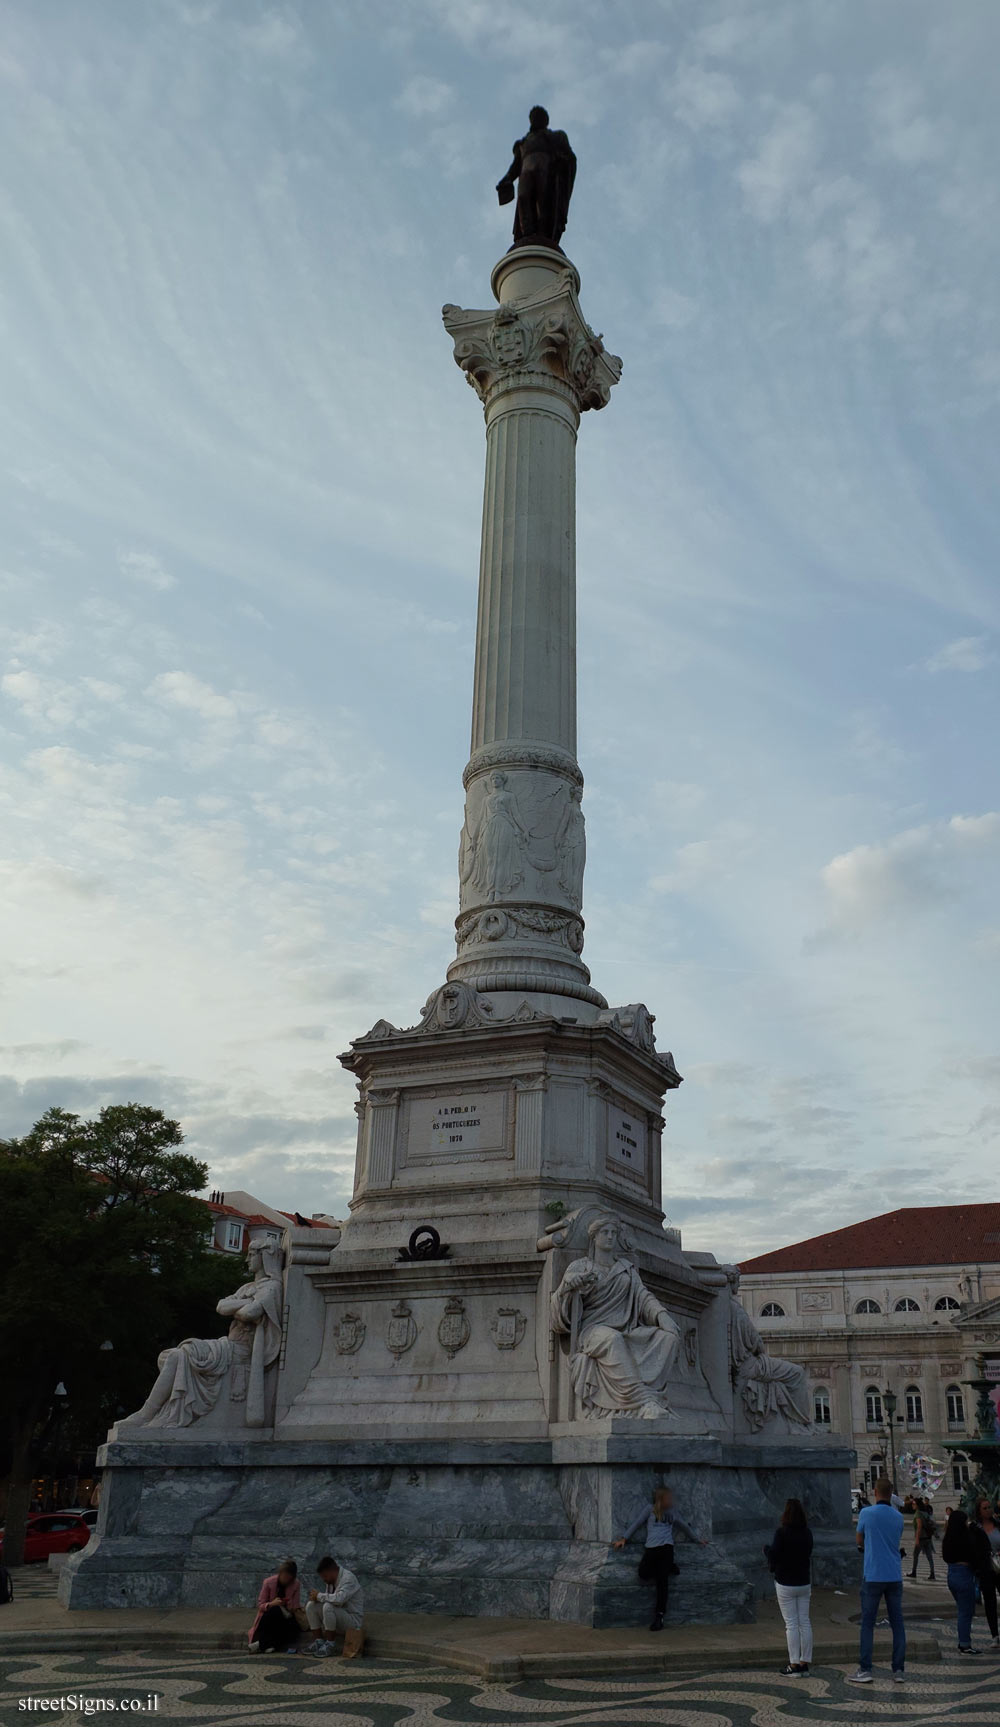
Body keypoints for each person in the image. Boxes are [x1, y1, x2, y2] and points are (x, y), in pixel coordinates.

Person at [612, 1485, 708, 1632]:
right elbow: (637, 1523)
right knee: (643, 1574)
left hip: (667, 1548)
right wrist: (624, 1539)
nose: (671, 1500)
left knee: (662, 1583)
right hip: (651, 1548)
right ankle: (669, 1567)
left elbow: (684, 1527)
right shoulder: (649, 1510)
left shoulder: (673, 1512)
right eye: (668, 1498)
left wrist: (697, 1540)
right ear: (660, 1499)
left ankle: (659, 1616)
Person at [848, 1477, 905, 1685]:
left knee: (868, 1624)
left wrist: (866, 1547)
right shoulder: (898, 1517)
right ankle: (898, 1670)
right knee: (898, 1624)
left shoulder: (866, 1513)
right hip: (894, 1575)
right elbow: (896, 1539)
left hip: (873, 1574)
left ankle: (865, 1669)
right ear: (891, 1494)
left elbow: (859, 1539)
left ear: (874, 1492)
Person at [764, 1498, 814, 1675]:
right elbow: (809, 1552)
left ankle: (793, 1665)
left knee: (791, 1624)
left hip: (786, 1582)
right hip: (803, 1581)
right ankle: (804, 1662)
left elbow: (775, 1554)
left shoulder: (782, 1533)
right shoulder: (807, 1533)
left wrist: (766, 1550)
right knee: (805, 1622)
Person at [942, 1508, 991, 1653]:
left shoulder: (948, 1538)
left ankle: (964, 1641)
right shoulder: (965, 1538)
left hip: (951, 1575)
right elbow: (976, 1554)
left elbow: (946, 1557)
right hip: (964, 1575)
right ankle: (964, 1644)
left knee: (963, 1610)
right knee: (965, 1612)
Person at [304, 1555, 365, 1657]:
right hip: (338, 1617)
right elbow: (330, 1598)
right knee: (311, 1605)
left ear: (332, 1571)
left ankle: (330, 1644)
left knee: (328, 1606)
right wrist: (316, 1598)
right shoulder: (331, 1580)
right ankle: (318, 1641)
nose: (324, 1579)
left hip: (352, 1622)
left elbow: (339, 1600)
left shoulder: (348, 1579)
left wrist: (319, 1596)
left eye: (325, 1576)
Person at [248, 1558, 302, 1654]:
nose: (285, 1580)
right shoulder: (268, 1582)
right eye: (284, 1576)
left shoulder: (295, 1584)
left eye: (288, 1578)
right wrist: (272, 1603)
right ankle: (270, 1645)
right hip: (270, 1615)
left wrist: (289, 1606)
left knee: (294, 1629)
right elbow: (261, 1605)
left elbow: (296, 1605)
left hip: (287, 1616)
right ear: (280, 1573)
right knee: (275, 1610)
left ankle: (261, 1645)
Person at [972, 1496, 1000, 1648]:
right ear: (979, 1511)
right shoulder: (975, 1528)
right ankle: (994, 1635)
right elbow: (972, 1549)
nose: (989, 1510)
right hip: (986, 1570)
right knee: (990, 1603)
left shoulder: (998, 1525)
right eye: (985, 1508)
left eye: (989, 1507)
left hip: (999, 1568)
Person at [908, 1497, 937, 1581]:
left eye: (913, 1504)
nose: (912, 1505)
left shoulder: (918, 1514)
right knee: (929, 1556)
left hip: (921, 1538)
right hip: (928, 1537)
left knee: (915, 1555)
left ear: (917, 1505)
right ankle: (932, 1573)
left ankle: (914, 1572)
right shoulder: (925, 1513)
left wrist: (917, 1539)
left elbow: (919, 1527)